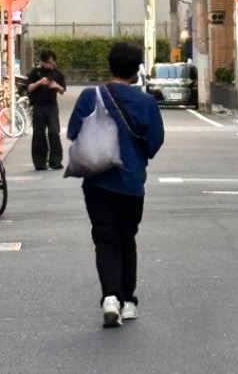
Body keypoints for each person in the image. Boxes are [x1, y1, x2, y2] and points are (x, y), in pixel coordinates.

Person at [67, 42, 164, 328]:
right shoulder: (146, 103)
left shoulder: (89, 96)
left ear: (109, 66)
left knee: (104, 238)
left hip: (97, 181)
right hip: (131, 183)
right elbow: (155, 142)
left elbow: (73, 132)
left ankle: (110, 296)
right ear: (136, 72)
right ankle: (128, 302)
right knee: (126, 238)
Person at [26, 49, 66, 170]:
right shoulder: (36, 72)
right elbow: (29, 88)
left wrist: (56, 86)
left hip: (52, 106)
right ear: (42, 62)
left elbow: (63, 90)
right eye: (48, 62)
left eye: (52, 62)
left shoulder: (57, 74)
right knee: (39, 134)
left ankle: (56, 161)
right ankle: (40, 162)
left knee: (54, 132)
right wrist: (39, 82)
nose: (50, 65)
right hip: (38, 106)